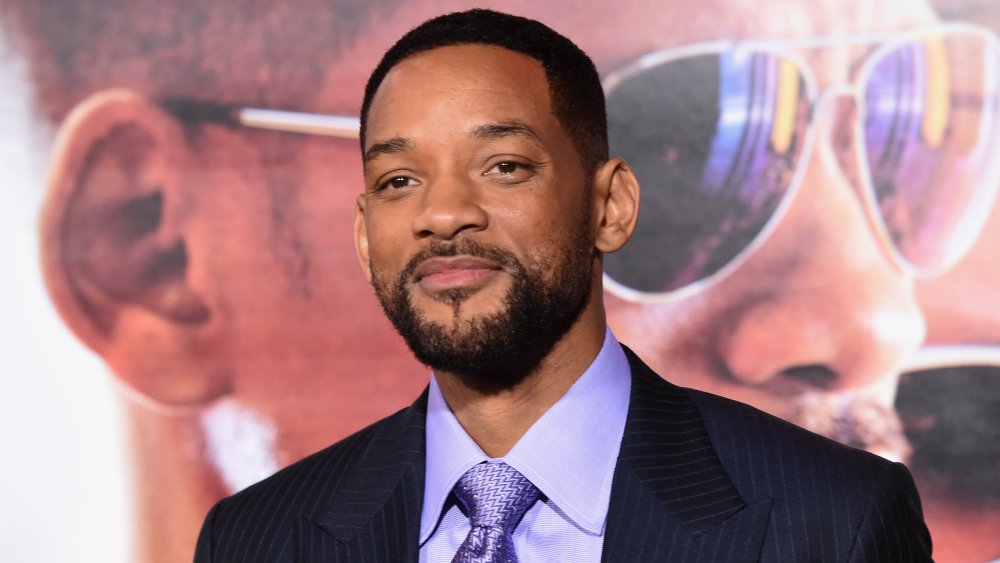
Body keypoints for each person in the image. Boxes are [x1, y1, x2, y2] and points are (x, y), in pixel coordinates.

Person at [1, 0, 991, 561]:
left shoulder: (846, 516)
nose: (876, 316)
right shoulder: (260, 537)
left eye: (910, 129)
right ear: (155, 250)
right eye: (684, 146)